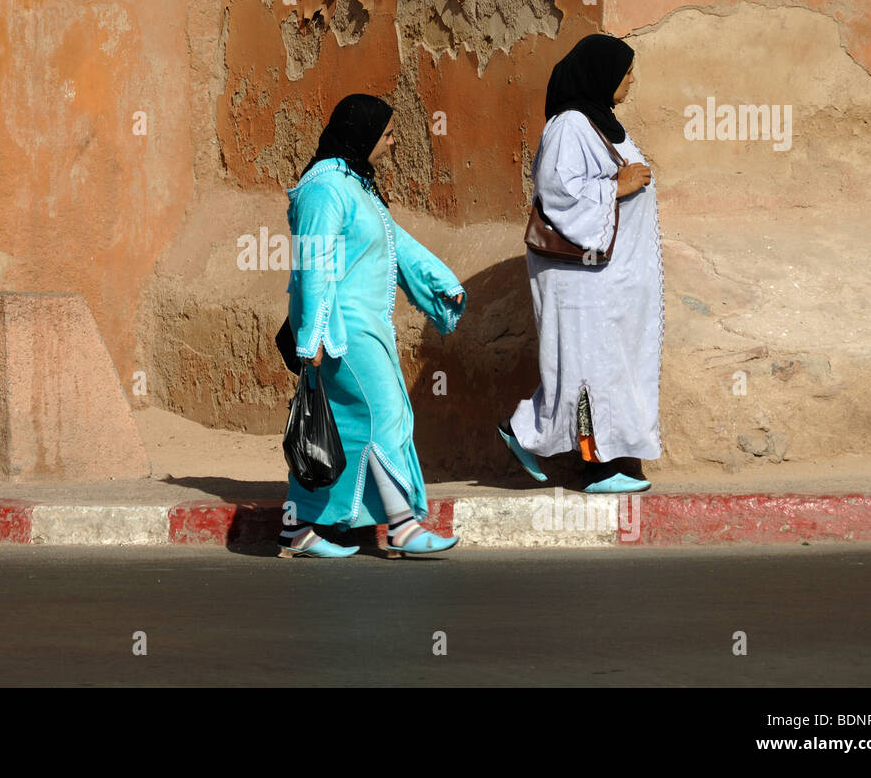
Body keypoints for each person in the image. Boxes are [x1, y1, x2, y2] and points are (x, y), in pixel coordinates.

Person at [280, 94, 466, 557]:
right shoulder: (323, 189)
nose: (392, 141)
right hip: (341, 331)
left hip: (367, 329)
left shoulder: (356, 187)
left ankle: (298, 529)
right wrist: (313, 335)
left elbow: (396, 245)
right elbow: (314, 264)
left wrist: (441, 285)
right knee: (388, 415)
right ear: (361, 135)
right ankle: (403, 525)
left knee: (343, 427)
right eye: (386, 133)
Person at [500, 34, 662, 493]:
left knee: (599, 364)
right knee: (586, 368)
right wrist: (618, 188)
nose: (631, 80)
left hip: (604, 276)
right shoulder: (569, 124)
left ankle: (527, 432)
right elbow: (557, 190)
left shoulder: (602, 124)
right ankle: (596, 467)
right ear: (600, 74)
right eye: (625, 71)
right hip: (578, 273)